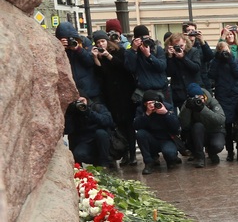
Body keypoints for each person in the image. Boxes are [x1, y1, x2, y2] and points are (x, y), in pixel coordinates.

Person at [90, 30, 136, 165]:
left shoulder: (119, 51)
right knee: (119, 126)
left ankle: (133, 154)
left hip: (125, 95)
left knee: (129, 125)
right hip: (111, 96)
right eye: (98, 42)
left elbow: (124, 67)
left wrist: (108, 55)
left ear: (107, 41)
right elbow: (102, 74)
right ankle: (125, 153)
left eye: (102, 41)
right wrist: (96, 58)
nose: (101, 44)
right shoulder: (100, 57)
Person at [211, 39, 238, 161]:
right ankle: (230, 152)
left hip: (235, 95)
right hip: (222, 96)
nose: (224, 53)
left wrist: (230, 59)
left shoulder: (235, 60)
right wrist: (217, 59)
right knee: (226, 125)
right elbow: (211, 74)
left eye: (226, 50)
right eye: (221, 51)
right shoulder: (216, 62)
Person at [135, 90, 182, 175]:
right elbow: (136, 126)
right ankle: (149, 163)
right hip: (151, 139)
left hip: (166, 139)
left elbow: (176, 127)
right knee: (140, 134)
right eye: (149, 103)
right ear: (145, 104)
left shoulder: (167, 107)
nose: (153, 105)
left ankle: (172, 158)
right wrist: (147, 114)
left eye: (154, 102)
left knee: (170, 154)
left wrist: (166, 114)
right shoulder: (141, 110)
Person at [179, 83, 225, 167]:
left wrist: (203, 109)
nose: (198, 100)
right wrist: (187, 108)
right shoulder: (187, 104)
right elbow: (184, 125)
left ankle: (212, 153)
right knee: (197, 126)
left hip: (214, 131)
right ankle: (200, 157)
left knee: (218, 145)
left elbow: (220, 119)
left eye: (200, 98)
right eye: (195, 99)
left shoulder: (212, 102)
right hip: (198, 134)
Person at [64, 96, 116, 169]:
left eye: (82, 101)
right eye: (78, 102)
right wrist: (69, 113)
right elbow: (68, 131)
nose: (80, 104)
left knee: (101, 133)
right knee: (79, 154)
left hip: (102, 141)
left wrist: (88, 112)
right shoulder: (74, 113)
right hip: (86, 142)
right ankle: (96, 162)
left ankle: (105, 163)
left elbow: (108, 121)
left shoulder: (96, 107)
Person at [126, 26, 170, 106]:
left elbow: (162, 66)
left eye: (147, 38)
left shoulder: (157, 49)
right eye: (143, 39)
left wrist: (149, 55)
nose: (146, 41)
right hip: (143, 92)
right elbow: (131, 68)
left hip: (160, 90)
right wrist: (134, 50)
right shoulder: (131, 52)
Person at [57, 23, 100, 101]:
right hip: (73, 92)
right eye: (65, 39)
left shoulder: (84, 43)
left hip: (90, 90)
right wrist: (59, 48)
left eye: (70, 38)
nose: (69, 41)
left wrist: (78, 50)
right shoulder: (58, 47)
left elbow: (90, 62)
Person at [164, 33, 205, 109]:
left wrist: (183, 58)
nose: (180, 48)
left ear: (185, 42)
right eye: (177, 46)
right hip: (179, 92)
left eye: (181, 46)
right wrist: (170, 57)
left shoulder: (193, 51)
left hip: (194, 89)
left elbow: (196, 68)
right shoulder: (170, 55)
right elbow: (169, 72)